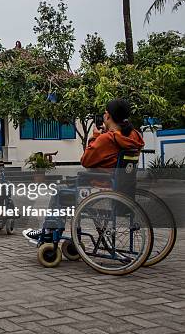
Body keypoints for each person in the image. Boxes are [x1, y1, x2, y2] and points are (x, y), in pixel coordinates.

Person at [22, 98, 144, 243]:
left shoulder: (106, 139)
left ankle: (48, 232)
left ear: (108, 116)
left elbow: (86, 161)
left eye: (105, 113)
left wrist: (95, 137)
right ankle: (51, 230)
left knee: (60, 190)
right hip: (123, 190)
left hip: (102, 188)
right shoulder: (135, 136)